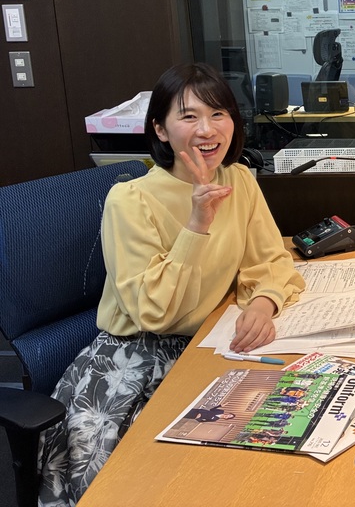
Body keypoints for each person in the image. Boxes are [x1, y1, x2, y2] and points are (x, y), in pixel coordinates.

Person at [38, 63, 306, 507]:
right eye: (189, 116)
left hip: (209, 344)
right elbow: (153, 311)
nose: (207, 129)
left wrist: (263, 302)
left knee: (260, 464)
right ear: (160, 130)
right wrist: (197, 223)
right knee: (150, 487)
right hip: (136, 358)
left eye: (218, 114)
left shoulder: (238, 179)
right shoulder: (130, 201)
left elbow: (270, 259)